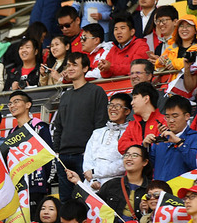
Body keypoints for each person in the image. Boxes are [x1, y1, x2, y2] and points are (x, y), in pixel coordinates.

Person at [53, 52, 108, 203]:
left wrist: (91, 153)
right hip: (64, 156)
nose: (70, 68)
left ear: (85, 68)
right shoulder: (65, 96)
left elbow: (100, 125)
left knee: (87, 199)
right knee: (65, 200)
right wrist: (57, 152)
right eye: (68, 65)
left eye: (74, 65)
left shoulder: (96, 92)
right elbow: (58, 125)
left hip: (85, 155)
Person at [82, 92, 131, 189]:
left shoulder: (130, 132)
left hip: (115, 184)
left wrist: (95, 173)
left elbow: (123, 164)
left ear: (127, 111)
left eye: (118, 106)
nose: (113, 109)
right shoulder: (97, 132)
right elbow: (88, 158)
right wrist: (93, 179)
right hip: (91, 183)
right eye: (111, 105)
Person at [118, 82, 165, 154]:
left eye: (134, 98)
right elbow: (121, 146)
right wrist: (142, 144)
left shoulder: (163, 121)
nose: (132, 103)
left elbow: (162, 147)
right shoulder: (132, 125)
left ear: (146, 99)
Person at [98, 14, 149, 79]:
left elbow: (136, 69)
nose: (118, 32)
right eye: (116, 29)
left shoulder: (141, 45)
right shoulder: (113, 49)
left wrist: (110, 67)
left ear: (132, 32)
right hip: (116, 86)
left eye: (122, 28)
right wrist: (104, 68)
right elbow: (105, 75)